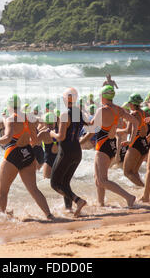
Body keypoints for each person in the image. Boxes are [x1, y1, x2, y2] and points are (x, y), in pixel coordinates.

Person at [0, 95, 54, 220]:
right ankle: (49, 215)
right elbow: (35, 140)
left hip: (13, 154)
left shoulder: (11, 119)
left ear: (9, 106)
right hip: (28, 153)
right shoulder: (30, 118)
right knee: (34, 189)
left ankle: (0, 219)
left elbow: (7, 138)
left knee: (3, 191)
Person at [86, 86, 138, 208]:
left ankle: (129, 197)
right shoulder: (118, 109)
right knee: (97, 178)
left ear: (103, 96)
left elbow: (92, 127)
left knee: (102, 180)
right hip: (111, 145)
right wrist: (131, 140)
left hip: (103, 146)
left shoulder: (101, 110)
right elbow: (135, 122)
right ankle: (101, 203)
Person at [48, 88, 88, 217]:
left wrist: (51, 133)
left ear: (65, 99)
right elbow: (91, 126)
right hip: (77, 151)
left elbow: (61, 136)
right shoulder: (79, 113)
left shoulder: (65, 115)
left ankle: (78, 201)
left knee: (54, 183)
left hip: (66, 152)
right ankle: (68, 209)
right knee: (65, 182)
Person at [122, 93, 149, 187]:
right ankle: (143, 190)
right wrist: (148, 136)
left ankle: (144, 188)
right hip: (144, 142)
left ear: (132, 103)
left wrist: (117, 130)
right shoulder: (144, 112)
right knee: (134, 172)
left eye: (129, 102)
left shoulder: (133, 114)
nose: (129, 104)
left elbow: (128, 130)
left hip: (136, 143)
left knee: (127, 172)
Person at [37, 112, 58, 179]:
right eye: (48, 124)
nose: (50, 126)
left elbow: (33, 143)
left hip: (53, 160)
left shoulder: (43, 133)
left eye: (51, 124)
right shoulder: (60, 132)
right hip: (54, 161)